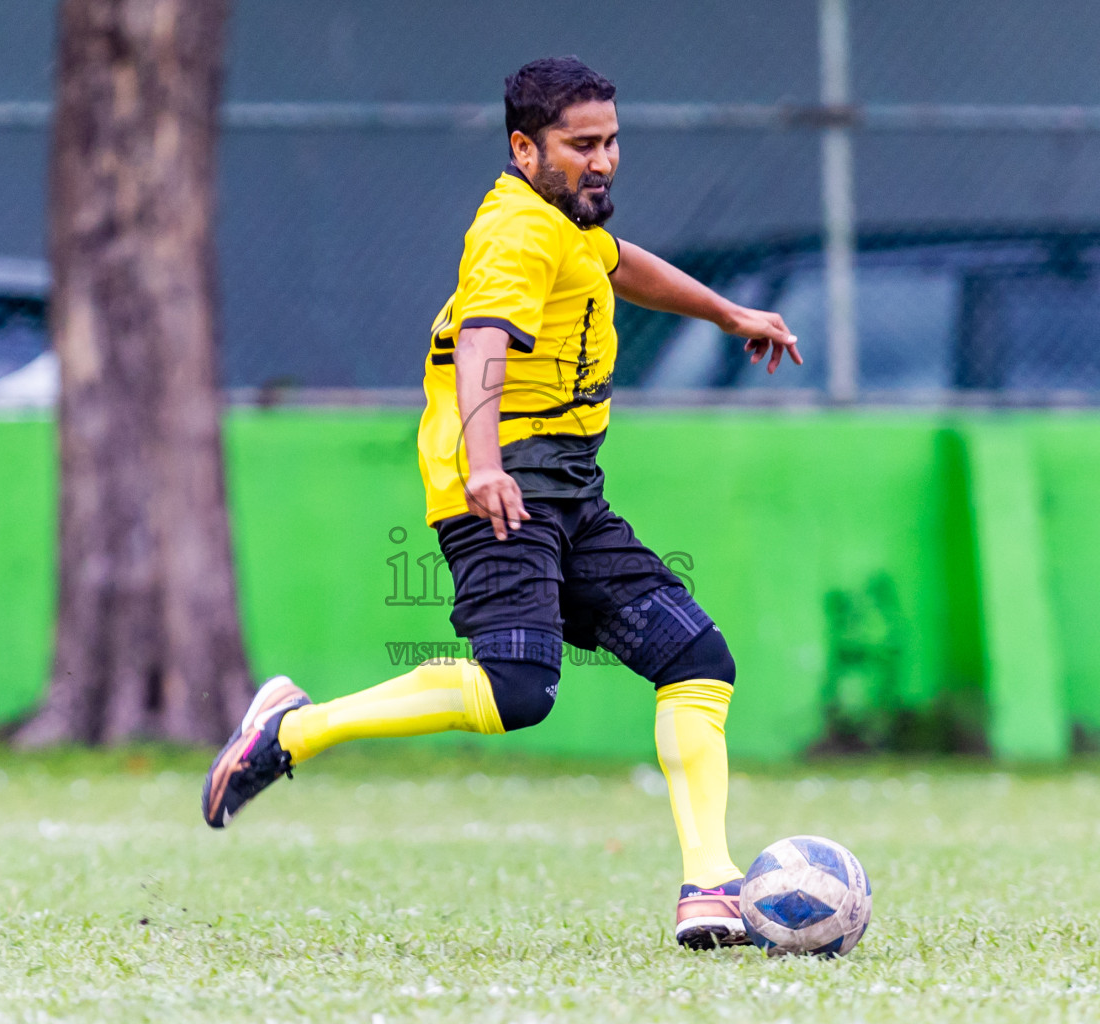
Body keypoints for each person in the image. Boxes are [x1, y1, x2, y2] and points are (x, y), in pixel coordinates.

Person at [202, 56, 800, 949]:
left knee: (696, 661)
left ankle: (709, 886)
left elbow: (617, 263)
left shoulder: (567, 224)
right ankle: (296, 730)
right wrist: (485, 464)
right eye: (579, 145)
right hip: (503, 489)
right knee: (516, 689)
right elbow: (484, 338)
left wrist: (726, 313)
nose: (602, 161)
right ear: (525, 148)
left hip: (568, 491)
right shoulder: (517, 233)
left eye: (611, 141)